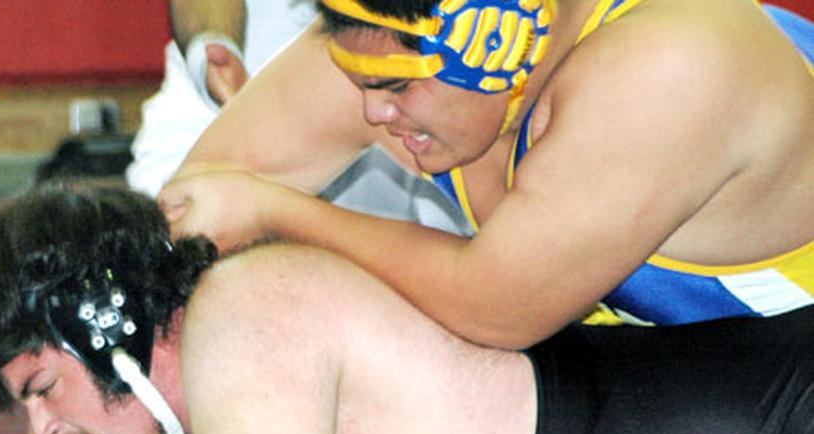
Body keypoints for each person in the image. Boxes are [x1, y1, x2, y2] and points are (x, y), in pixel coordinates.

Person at [0, 183, 814, 434]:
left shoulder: (249, 313)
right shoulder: (216, 424)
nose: (45, 433)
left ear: (111, 332)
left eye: (42, 391)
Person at [159, 0, 814, 349]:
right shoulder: (392, 35)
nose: (372, 110)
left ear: (497, 44)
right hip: (676, 372)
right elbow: (202, 200)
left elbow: (494, 309)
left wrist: (279, 211)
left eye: (393, 88)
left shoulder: (668, 68)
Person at [128, 0, 471, 235]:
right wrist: (212, 43)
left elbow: (491, 300)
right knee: (182, 242)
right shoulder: (341, 72)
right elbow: (192, 221)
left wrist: (275, 210)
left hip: (437, 70)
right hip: (230, 101)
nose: (374, 110)